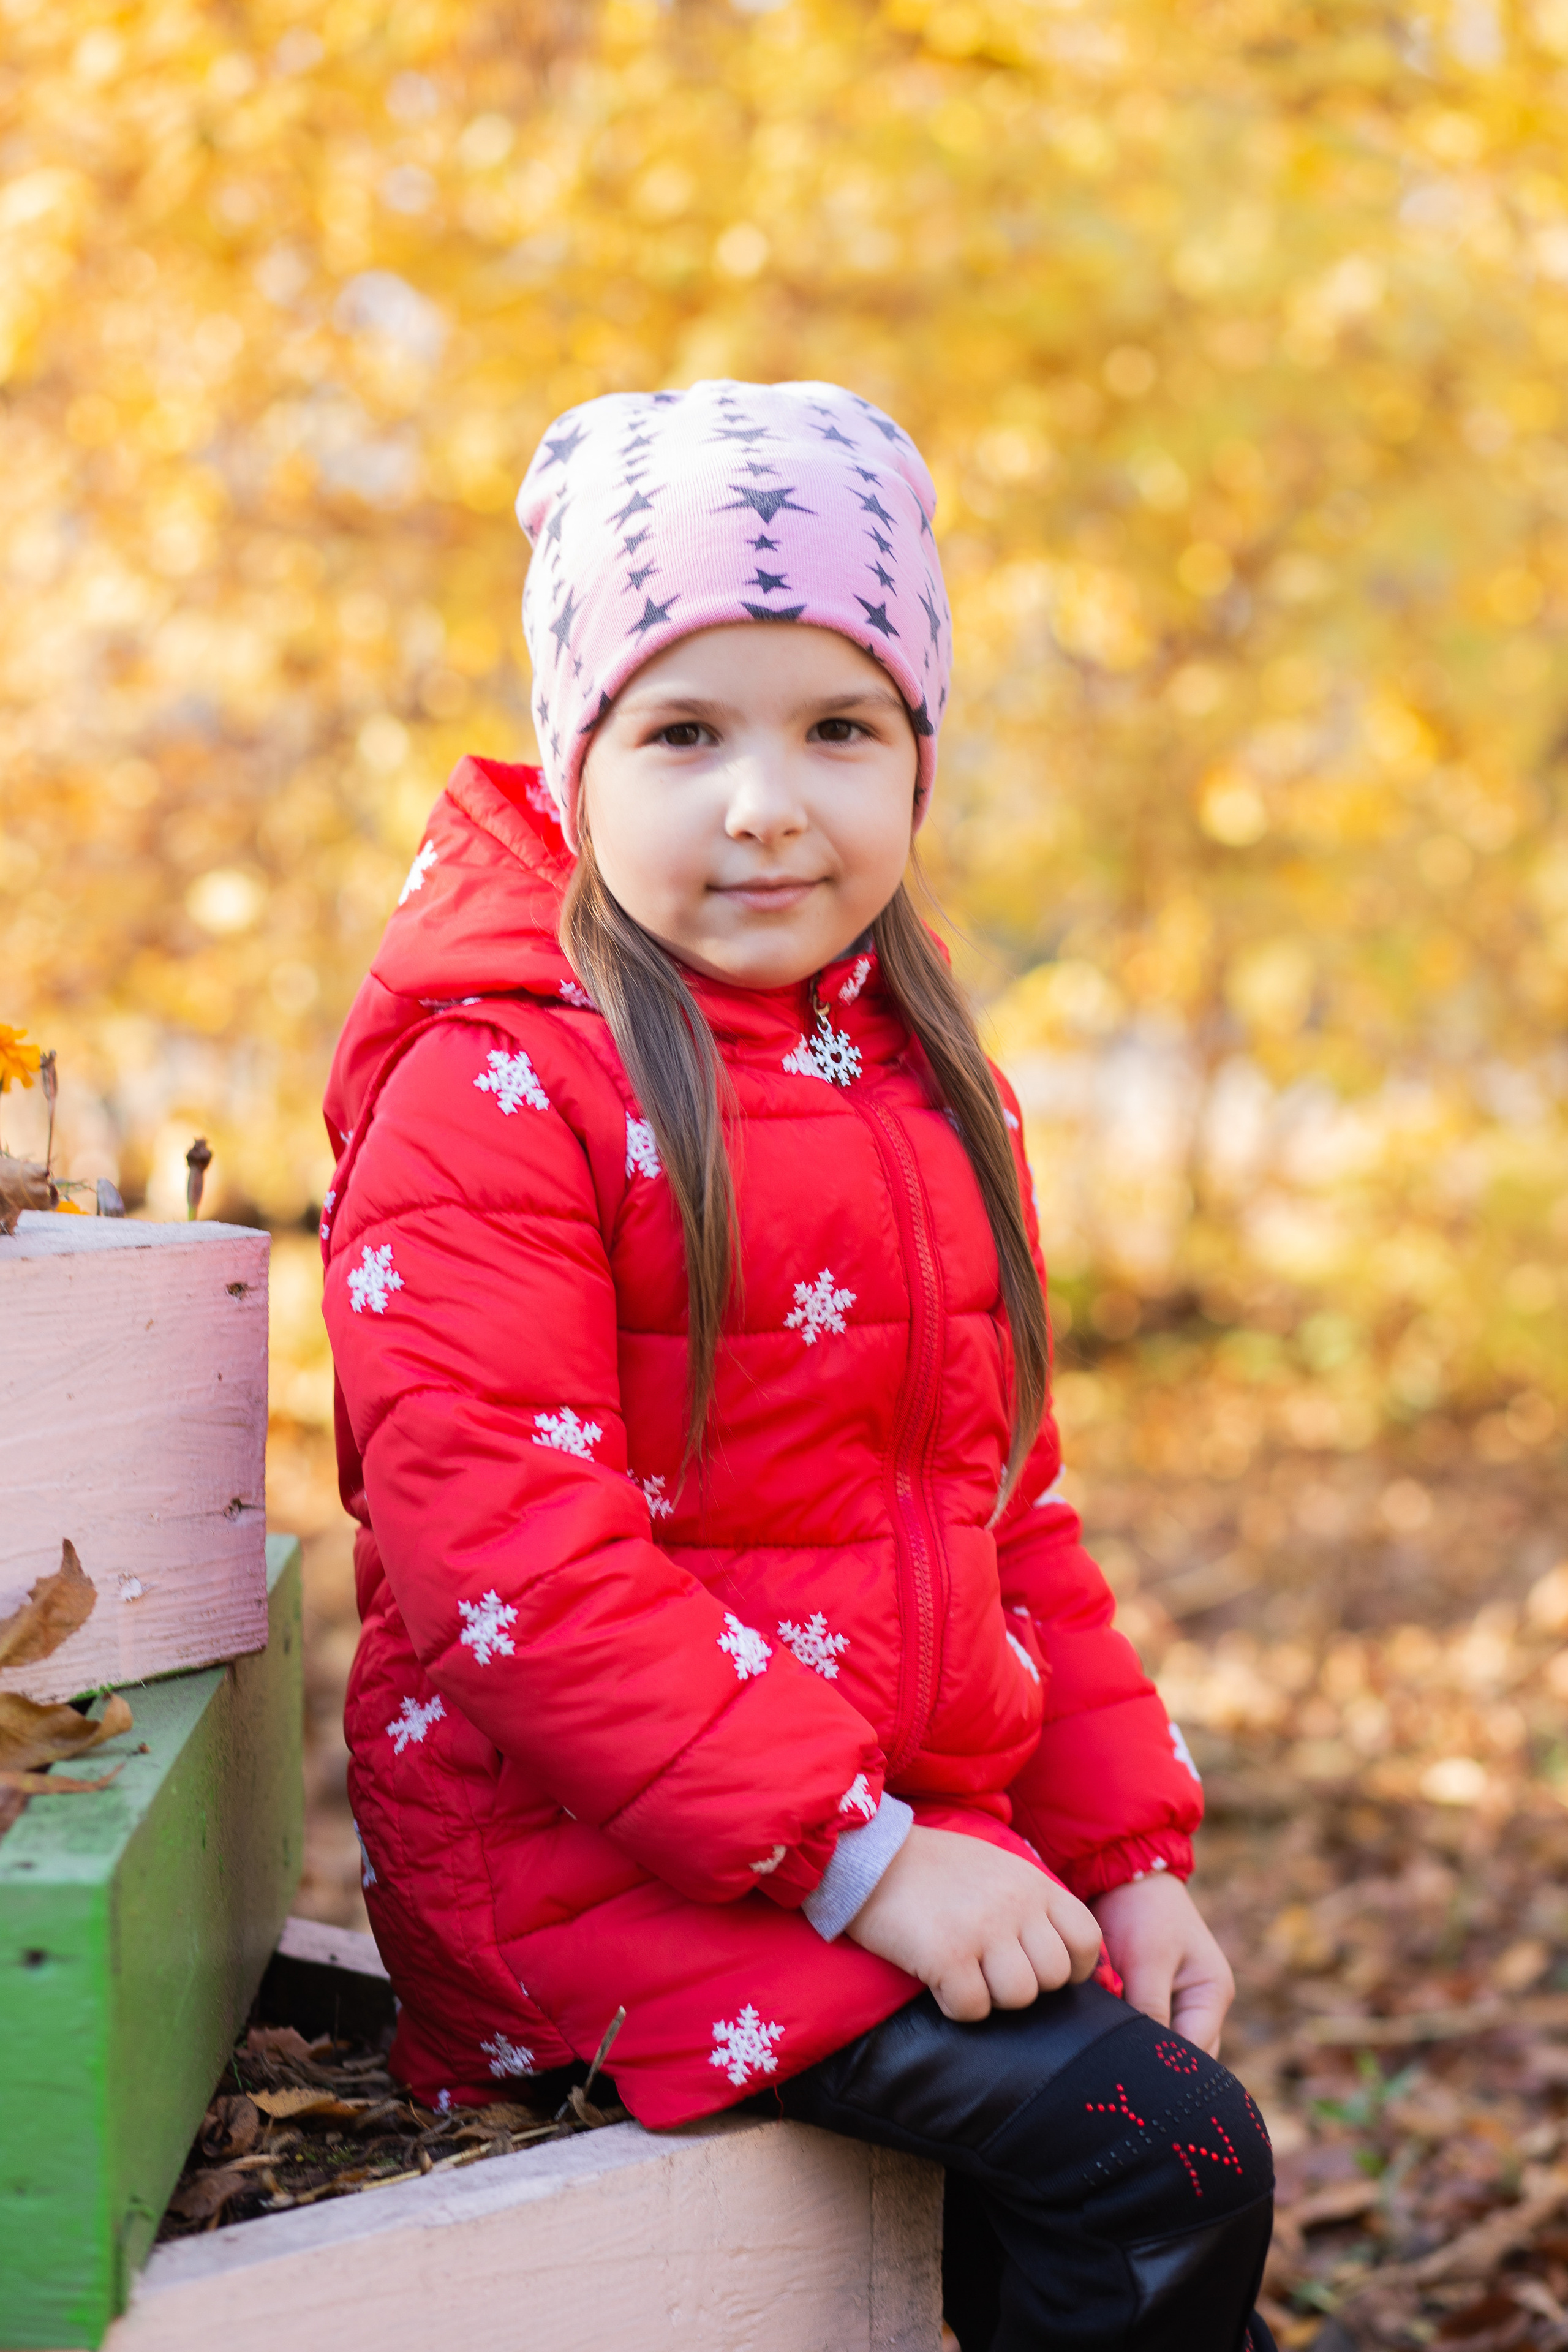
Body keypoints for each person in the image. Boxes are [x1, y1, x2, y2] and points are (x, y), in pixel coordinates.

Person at [321, 379, 1276, 2350]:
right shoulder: (501, 1093)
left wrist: (1124, 1859)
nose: (767, 801)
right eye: (686, 732)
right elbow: (519, 1573)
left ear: (919, 760)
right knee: (1158, 2156)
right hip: (584, 1872)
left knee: (1125, 2124)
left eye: (840, 727)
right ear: (579, 761)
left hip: (848, 1849)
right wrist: (863, 1865)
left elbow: (1005, 1520)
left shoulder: (921, 1079)